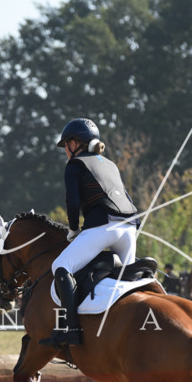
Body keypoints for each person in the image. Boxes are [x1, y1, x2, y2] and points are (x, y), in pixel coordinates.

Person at [43, 118, 139, 347]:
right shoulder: (110, 164)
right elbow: (127, 198)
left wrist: (74, 228)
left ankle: (71, 329)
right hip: (129, 228)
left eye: (66, 144)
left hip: (103, 225)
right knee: (130, 282)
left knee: (61, 267)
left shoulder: (75, 165)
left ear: (75, 143)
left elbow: (72, 201)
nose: (66, 150)